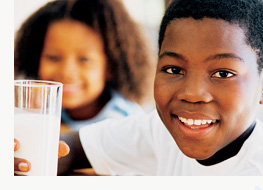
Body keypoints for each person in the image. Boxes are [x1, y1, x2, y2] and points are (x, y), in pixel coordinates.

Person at [14, 0, 263, 176]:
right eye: (174, 70)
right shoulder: (162, 132)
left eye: (223, 73)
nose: (192, 93)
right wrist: (23, 152)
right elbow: (74, 148)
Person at [14, 0, 155, 131]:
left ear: (111, 67)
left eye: (84, 60)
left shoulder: (126, 122)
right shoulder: (38, 108)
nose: (66, 72)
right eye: (53, 57)